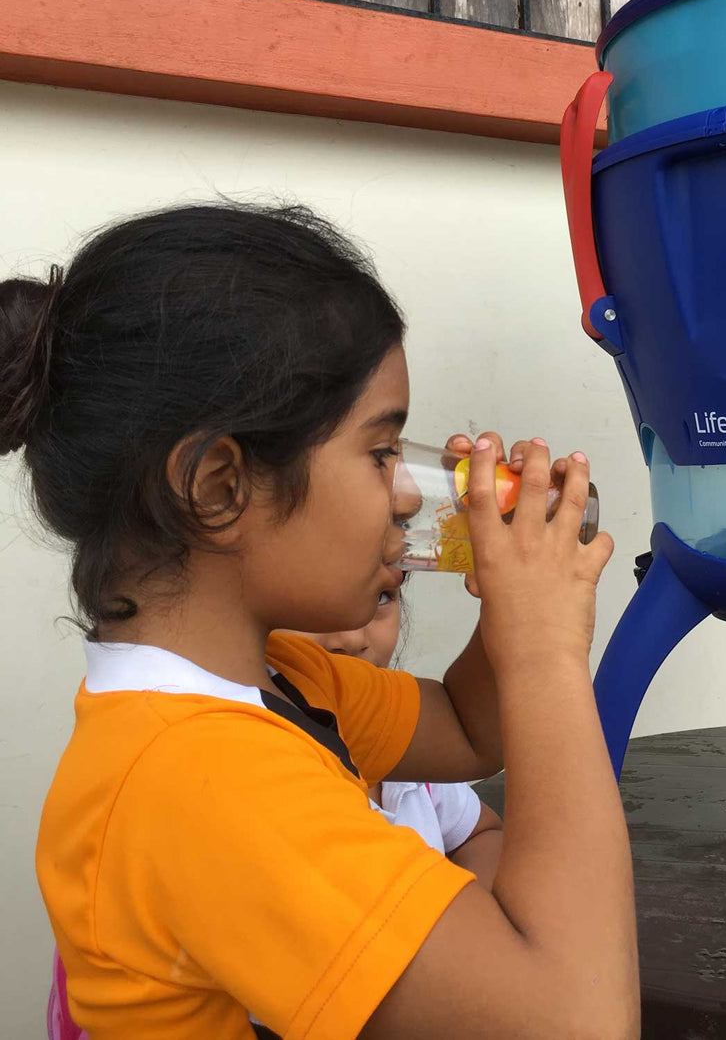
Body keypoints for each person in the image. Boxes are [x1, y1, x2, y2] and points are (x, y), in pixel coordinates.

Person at [2, 203, 637, 1040]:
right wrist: (546, 646)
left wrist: (508, 602)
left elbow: (469, 725)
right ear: (219, 488)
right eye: (379, 452)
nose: (408, 490)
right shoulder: (198, 777)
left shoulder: (276, 684)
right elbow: (578, 1022)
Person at [298, 578, 504, 888]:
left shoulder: (405, 740)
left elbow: (479, 833)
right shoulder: (274, 783)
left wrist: (475, 911)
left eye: (381, 596)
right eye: (306, 602)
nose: (353, 637)